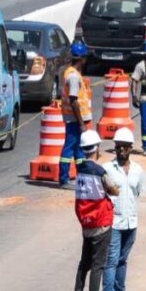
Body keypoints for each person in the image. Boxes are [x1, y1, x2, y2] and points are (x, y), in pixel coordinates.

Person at [71, 130, 119, 291]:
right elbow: (113, 189)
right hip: (101, 222)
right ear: (96, 148)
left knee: (85, 263)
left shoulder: (79, 169)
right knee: (98, 265)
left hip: (86, 223)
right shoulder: (99, 171)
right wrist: (115, 189)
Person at [101, 127, 143, 291]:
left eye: (125, 147)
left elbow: (137, 192)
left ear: (131, 148)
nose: (122, 150)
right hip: (114, 222)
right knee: (111, 260)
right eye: (118, 146)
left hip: (131, 222)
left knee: (122, 260)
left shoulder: (137, 170)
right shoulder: (107, 169)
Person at [59, 42, 92, 187]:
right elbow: (73, 101)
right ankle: (64, 179)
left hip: (75, 119)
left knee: (79, 149)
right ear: (82, 59)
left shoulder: (73, 73)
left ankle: (82, 175)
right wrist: (81, 123)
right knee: (70, 147)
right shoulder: (73, 76)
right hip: (74, 120)